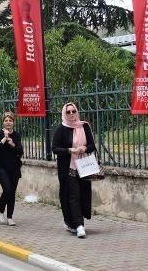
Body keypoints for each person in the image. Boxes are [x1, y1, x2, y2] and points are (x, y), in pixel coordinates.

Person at [52, 102, 97, 239]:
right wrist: (69, 150)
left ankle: (73, 222)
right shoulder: (61, 129)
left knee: (83, 194)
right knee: (73, 196)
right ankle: (79, 226)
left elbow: (92, 146)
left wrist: (84, 148)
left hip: (83, 167)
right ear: (64, 114)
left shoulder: (84, 126)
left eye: (73, 111)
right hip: (68, 168)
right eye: (68, 112)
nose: (71, 114)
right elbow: (54, 148)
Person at [0, 112, 23, 226]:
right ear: (3, 122)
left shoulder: (17, 135)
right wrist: (5, 139)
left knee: (12, 192)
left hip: (14, 168)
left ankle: (10, 217)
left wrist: (12, 143)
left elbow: (20, 151)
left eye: (10, 120)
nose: (8, 122)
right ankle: (0, 211)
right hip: (1, 167)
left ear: (13, 122)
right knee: (7, 189)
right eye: (6, 120)